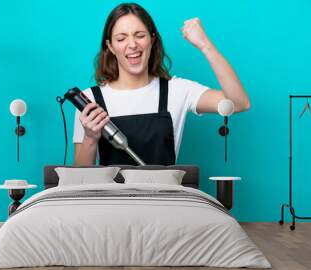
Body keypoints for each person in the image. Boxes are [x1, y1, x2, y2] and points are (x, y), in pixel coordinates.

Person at [73, 3, 250, 166]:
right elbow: (80, 179)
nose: (132, 45)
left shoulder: (178, 90)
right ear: (110, 46)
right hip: (111, 201)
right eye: (121, 39)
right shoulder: (89, 101)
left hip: (166, 200)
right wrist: (90, 137)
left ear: (152, 39)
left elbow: (239, 103)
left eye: (140, 36)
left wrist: (205, 45)